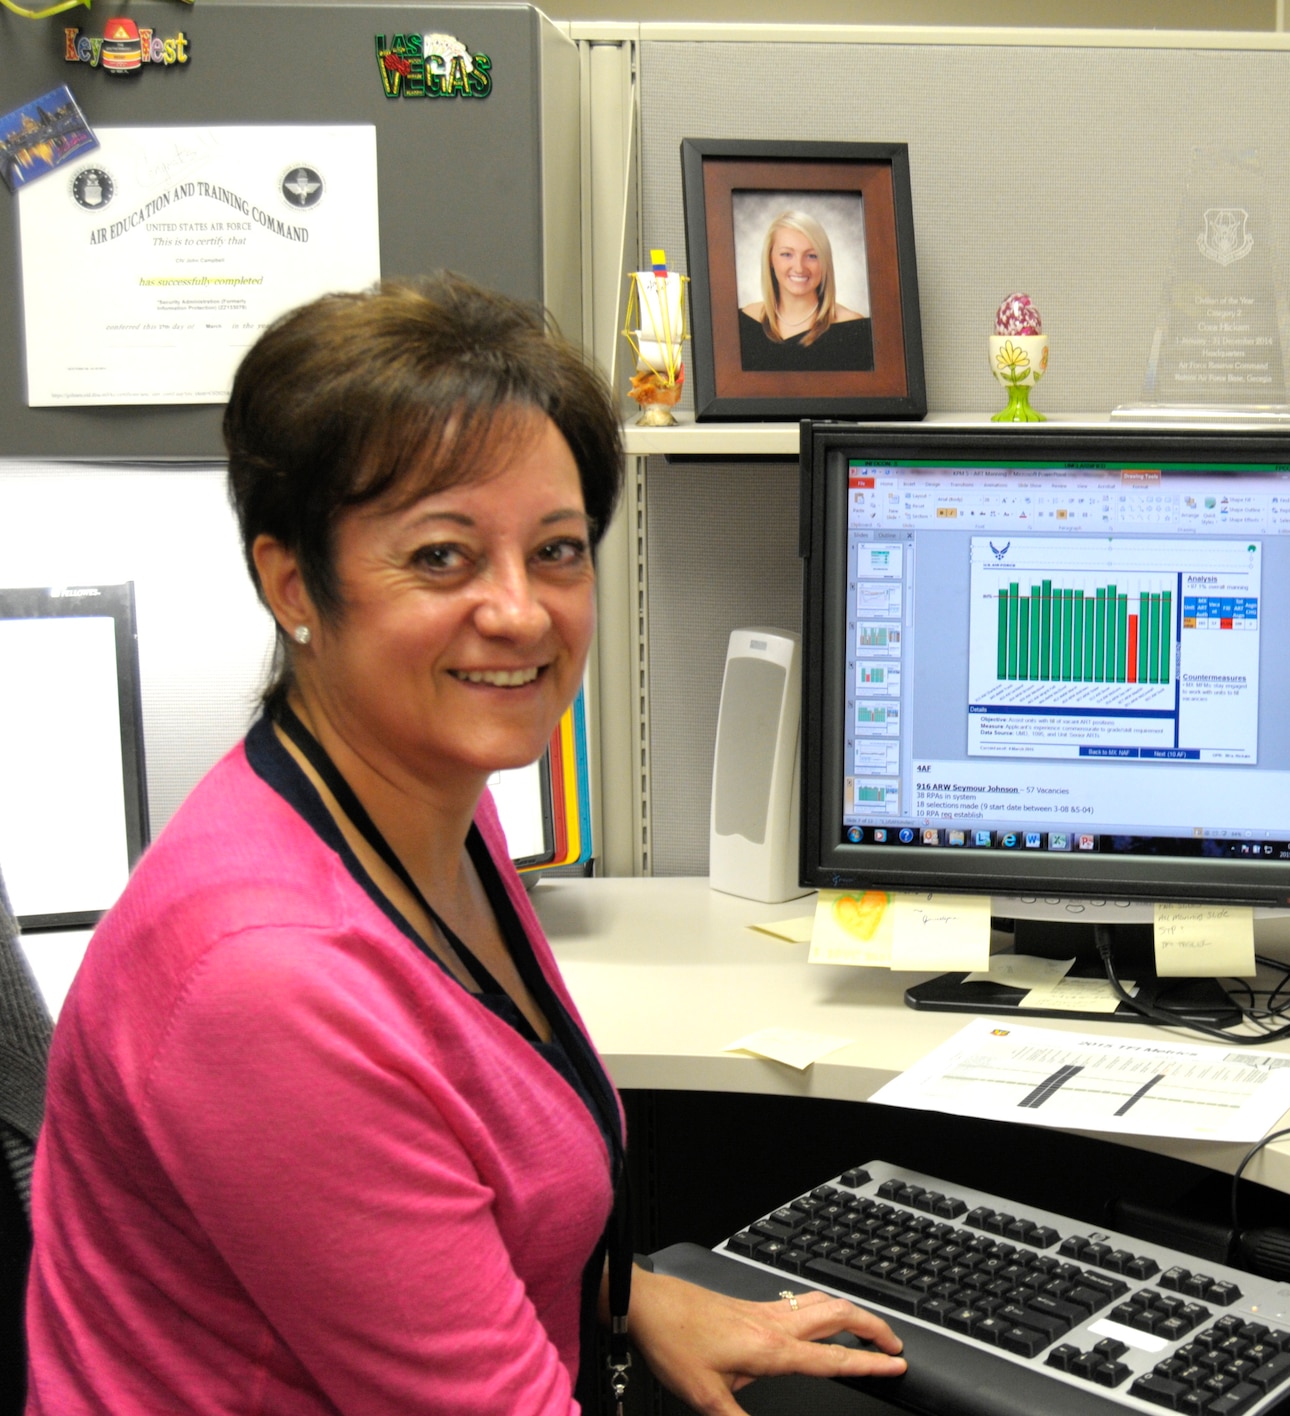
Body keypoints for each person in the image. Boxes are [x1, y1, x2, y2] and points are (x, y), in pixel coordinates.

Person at [24, 274, 905, 1415]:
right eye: (442, 557)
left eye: (555, 549)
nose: (521, 612)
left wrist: (625, 1295)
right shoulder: (268, 985)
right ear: (293, 581)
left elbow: (437, 1216)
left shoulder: (427, 798)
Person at [737, 210, 874, 373]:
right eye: (787, 254)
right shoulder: (743, 321)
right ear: (770, 259)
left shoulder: (853, 328)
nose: (799, 268)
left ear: (824, 262)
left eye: (812, 256)